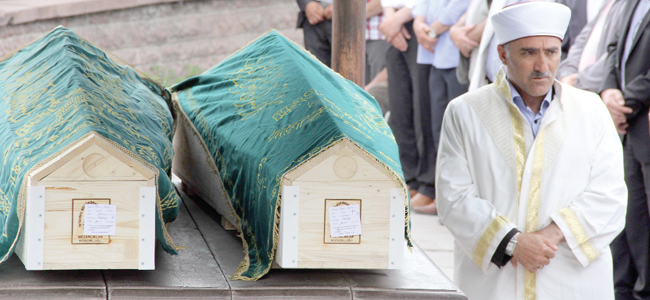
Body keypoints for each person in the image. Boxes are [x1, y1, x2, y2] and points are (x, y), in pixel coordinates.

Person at [436, 2, 627, 300]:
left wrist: (548, 237)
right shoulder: (466, 112)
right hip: (495, 285)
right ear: (502, 54)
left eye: (551, 52)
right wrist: (512, 243)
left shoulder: (591, 110)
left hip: (571, 280)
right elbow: (453, 198)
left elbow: (610, 194)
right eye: (528, 52)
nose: (542, 65)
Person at [600, 0, 650, 297]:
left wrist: (627, 100)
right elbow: (613, 48)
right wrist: (608, 90)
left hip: (639, 117)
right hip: (627, 128)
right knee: (628, 226)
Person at [411, 0, 471, 214]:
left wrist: (432, 30)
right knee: (438, 129)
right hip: (434, 53)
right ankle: (442, 194)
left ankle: (456, 198)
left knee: (457, 133)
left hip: (454, 52)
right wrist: (419, 23)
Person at [380, 0, 436, 211]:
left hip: (423, 22)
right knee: (400, 110)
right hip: (395, 25)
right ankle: (408, 178)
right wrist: (389, 18)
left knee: (423, 110)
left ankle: (428, 184)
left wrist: (397, 18)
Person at [296, 0, 333, 67]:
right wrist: (307, 3)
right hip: (312, 17)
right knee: (316, 69)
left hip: (348, 17)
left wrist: (343, 5)